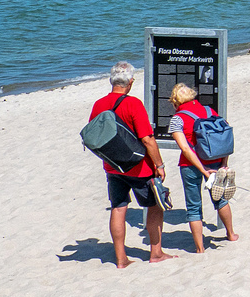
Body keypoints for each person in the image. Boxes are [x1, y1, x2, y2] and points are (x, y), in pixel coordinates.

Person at [88, 62, 172, 267]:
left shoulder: (99, 104)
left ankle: (121, 258)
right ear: (131, 82)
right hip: (139, 167)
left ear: (111, 81)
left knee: (118, 208)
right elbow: (147, 139)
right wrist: (159, 165)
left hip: (113, 166)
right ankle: (156, 253)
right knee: (154, 207)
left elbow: (94, 136)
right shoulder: (133, 103)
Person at [168, 84, 238, 252]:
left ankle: (200, 248)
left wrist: (202, 170)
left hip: (190, 165)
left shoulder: (178, 118)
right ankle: (231, 234)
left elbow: (185, 148)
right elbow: (224, 137)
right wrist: (223, 163)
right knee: (221, 199)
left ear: (176, 102)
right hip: (214, 160)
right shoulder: (209, 111)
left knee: (194, 206)